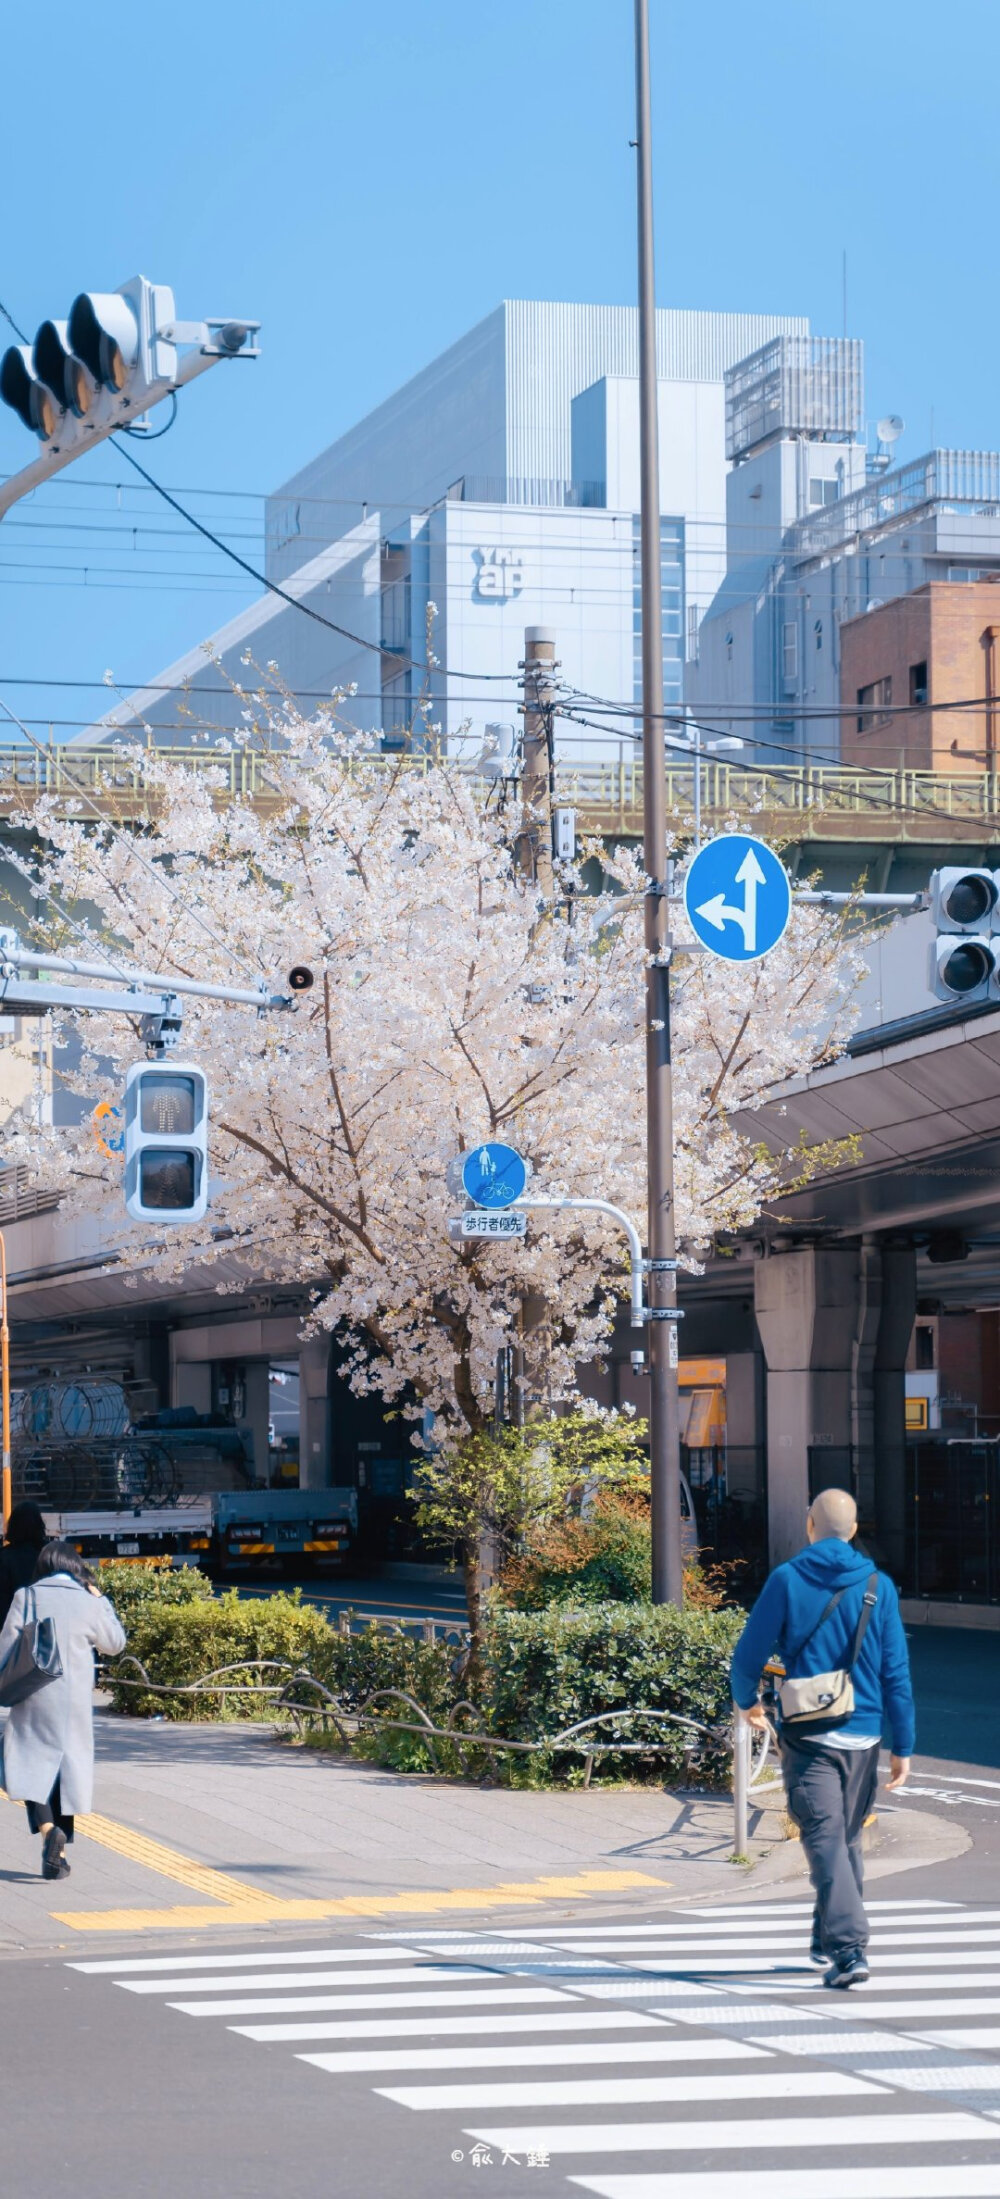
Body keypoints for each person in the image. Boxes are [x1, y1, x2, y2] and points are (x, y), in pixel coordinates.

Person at [730, 1486, 915, 1990]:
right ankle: (824, 1938)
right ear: (853, 1531)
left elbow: (748, 1656)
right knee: (841, 1838)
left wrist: (747, 1702)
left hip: (810, 1738)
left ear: (810, 1527)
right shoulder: (879, 1585)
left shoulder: (787, 1579)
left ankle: (849, 1949)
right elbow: (896, 1671)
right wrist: (904, 1745)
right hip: (864, 1736)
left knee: (827, 1838)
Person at [0, 1539, 125, 1880]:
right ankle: (59, 1855)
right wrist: (104, 1601)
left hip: (34, 1693)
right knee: (64, 1772)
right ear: (74, 1567)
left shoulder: (27, 1596)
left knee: (27, 1765)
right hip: (74, 1704)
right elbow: (115, 1645)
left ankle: (47, 1831)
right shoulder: (89, 1602)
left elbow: (5, 1649)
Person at [0, 1501, 48, 1627]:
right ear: (39, 1525)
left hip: (10, 1629)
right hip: (45, 1630)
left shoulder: (4, 1557)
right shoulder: (49, 1555)